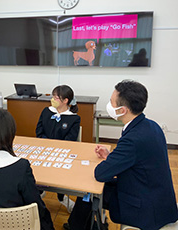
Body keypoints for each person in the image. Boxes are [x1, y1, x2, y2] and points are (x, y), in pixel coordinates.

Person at [64, 80, 178, 230]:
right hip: (157, 196)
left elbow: (101, 173)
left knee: (90, 191)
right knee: (90, 193)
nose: (109, 106)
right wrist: (111, 156)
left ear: (123, 110)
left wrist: (111, 160)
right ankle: (77, 226)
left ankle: (77, 227)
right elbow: (137, 159)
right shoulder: (151, 125)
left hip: (145, 208)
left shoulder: (134, 139)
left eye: (112, 102)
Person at [36, 85, 80, 213]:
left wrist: (56, 148)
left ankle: (62, 197)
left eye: (56, 97)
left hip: (62, 154)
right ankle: (39, 191)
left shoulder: (74, 118)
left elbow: (70, 140)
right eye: (53, 96)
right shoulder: (46, 111)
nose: (53, 99)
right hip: (44, 150)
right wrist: (46, 144)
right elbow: (39, 131)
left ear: (65, 100)